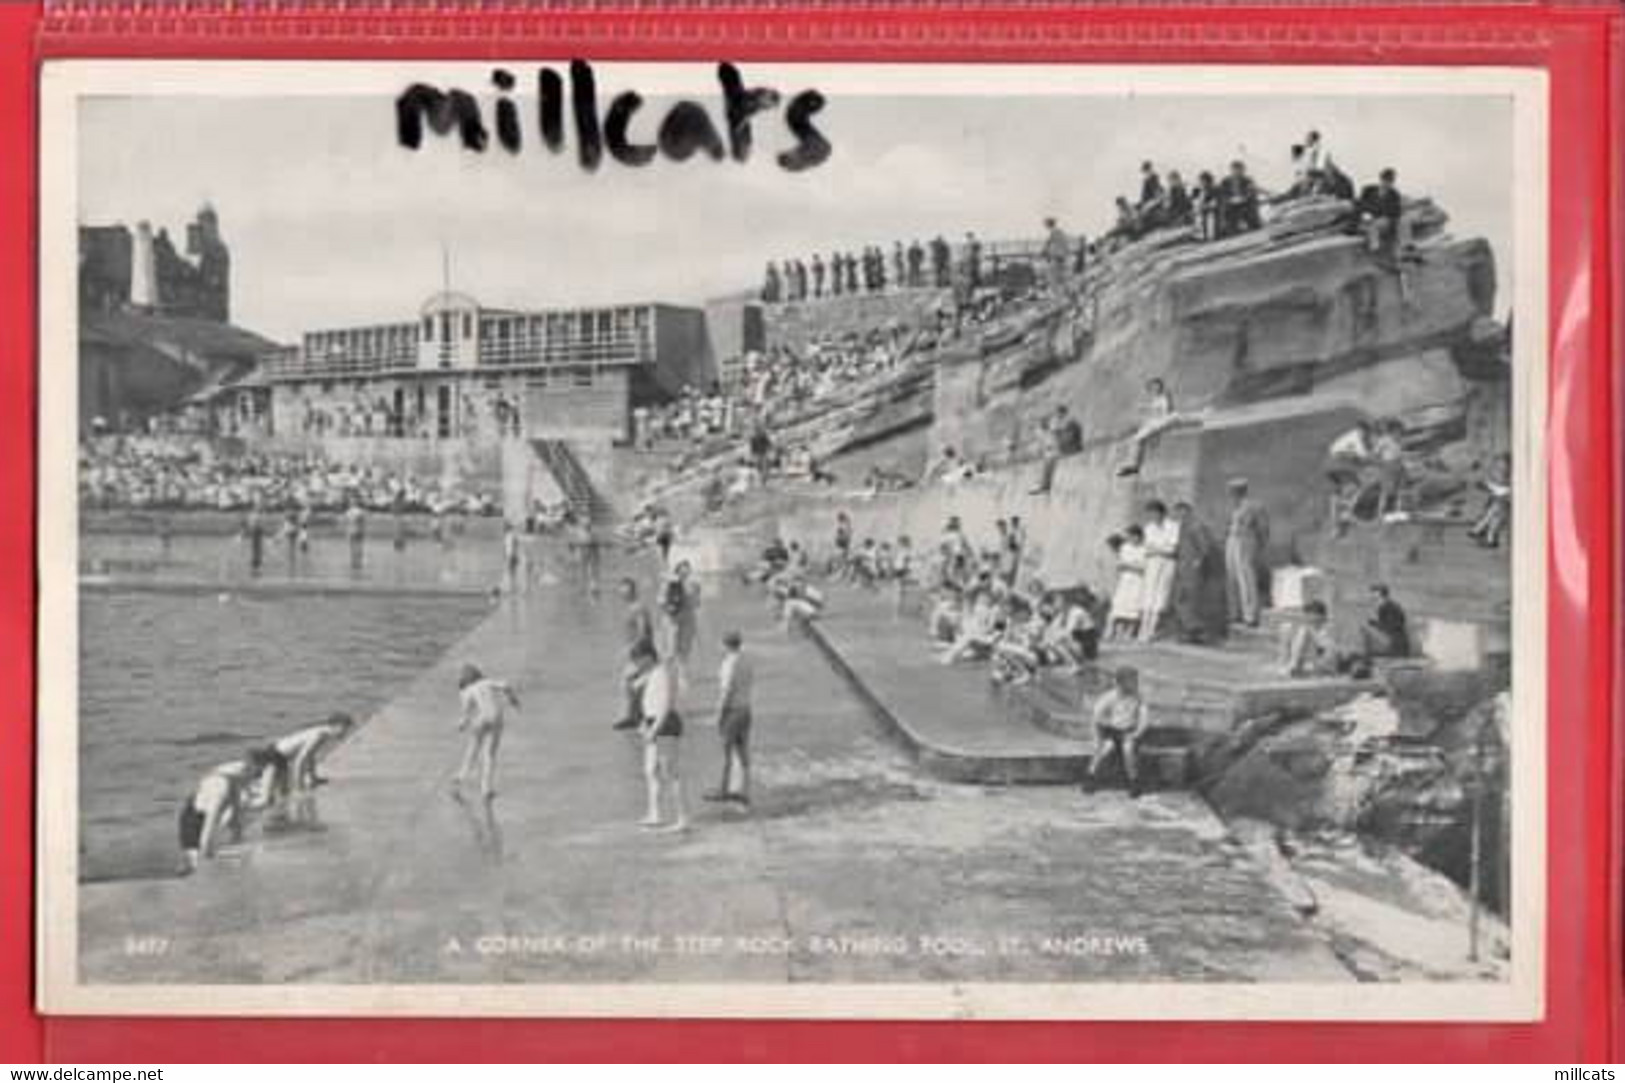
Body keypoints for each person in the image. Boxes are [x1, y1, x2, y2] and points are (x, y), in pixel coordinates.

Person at [178, 750, 274, 870]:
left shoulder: (235, 779)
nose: (258, 779)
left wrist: (238, 837)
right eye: (258, 774)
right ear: (249, 769)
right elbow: (208, 825)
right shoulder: (221, 787)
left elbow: (236, 814)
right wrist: (206, 852)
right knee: (196, 864)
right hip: (193, 820)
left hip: (201, 810)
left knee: (236, 857)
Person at [635, 646, 688, 832]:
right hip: (654, 722)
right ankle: (655, 814)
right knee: (651, 770)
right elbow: (651, 701)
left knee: (671, 772)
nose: (636, 664)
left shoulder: (663, 672)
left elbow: (666, 703)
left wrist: (654, 728)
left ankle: (683, 818)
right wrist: (644, 723)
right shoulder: (653, 673)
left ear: (647, 657)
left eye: (638, 660)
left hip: (665, 723)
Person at [453, 662, 520, 801]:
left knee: (473, 747)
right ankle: (486, 788)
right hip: (496, 718)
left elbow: (466, 713)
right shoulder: (487, 682)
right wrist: (513, 699)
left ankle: (461, 775)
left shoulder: (469, 690)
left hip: (482, 719)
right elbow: (506, 685)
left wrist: (462, 724)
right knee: (489, 754)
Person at [705, 630, 754, 806]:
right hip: (746, 709)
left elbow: (726, 691)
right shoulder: (746, 660)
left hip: (732, 711)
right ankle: (745, 789)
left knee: (724, 751)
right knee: (743, 751)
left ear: (725, 645)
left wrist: (718, 714)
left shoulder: (728, 664)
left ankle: (723, 788)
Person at [1084, 665, 1150, 797]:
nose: (1135, 685)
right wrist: (1099, 735)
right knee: (1104, 749)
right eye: (1131, 682)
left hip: (1129, 732)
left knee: (1128, 750)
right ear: (1121, 683)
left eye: (1135, 682)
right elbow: (1097, 715)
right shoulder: (1110, 697)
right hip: (1112, 731)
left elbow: (1144, 720)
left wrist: (1135, 733)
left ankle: (1134, 781)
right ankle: (1090, 776)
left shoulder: (1139, 698)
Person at [1171, 500, 1228, 644]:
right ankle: (1190, 631)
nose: (1178, 515)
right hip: (1182, 568)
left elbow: (1204, 547)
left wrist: (1198, 561)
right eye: (1176, 513)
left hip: (1191, 570)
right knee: (1181, 599)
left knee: (1190, 600)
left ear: (1187, 511)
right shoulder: (1182, 527)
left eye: (1180, 512)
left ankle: (1196, 632)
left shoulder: (1196, 526)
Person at [1224, 478, 1271, 627]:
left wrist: (1260, 545)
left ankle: (1250, 615)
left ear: (1242, 491)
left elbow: (1263, 528)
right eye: (1231, 492)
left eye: (1235, 491)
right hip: (1232, 540)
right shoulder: (1235, 508)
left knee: (1246, 577)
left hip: (1246, 540)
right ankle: (1235, 613)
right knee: (1232, 577)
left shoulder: (1254, 506)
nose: (1232, 495)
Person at [272, 711, 355, 792]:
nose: (346, 733)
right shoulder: (318, 735)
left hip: (281, 757)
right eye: (345, 729)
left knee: (282, 790)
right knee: (276, 792)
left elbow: (310, 756)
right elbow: (299, 761)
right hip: (274, 756)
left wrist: (313, 778)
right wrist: (298, 787)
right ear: (337, 726)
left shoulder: (324, 734)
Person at [613, 578, 657, 730]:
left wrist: (631, 647)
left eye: (627, 591)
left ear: (634, 591)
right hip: (637, 653)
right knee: (634, 684)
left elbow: (643, 630)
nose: (623, 594)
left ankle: (633, 716)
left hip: (643, 653)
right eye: (622, 591)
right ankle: (638, 715)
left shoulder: (638, 608)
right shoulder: (629, 607)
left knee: (627, 682)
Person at [1139, 500, 1180, 642]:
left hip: (1167, 563)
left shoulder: (1173, 526)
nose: (1153, 516)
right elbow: (1146, 549)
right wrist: (1159, 548)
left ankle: (1153, 629)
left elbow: (1173, 549)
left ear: (1161, 512)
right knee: (1149, 593)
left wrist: (1157, 549)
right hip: (1152, 563)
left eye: (1155, 513)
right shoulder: (1149, 528)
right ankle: (1143, 628)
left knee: (1161, 594)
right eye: (1150, 513)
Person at [659, 559, 701, 683]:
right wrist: (670, 606)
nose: (686, 571)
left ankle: (682, 676)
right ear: (677, 570)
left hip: (687, 620)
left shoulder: (694, 584)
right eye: (683, 568)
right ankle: (664, 674)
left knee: (684, 651)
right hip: (671, 620)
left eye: (687, 568)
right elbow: (660, 601)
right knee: (671, 651)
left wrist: (687, 601)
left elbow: (697, 603)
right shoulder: (668, 583)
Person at [1030, 403, 1083, 495]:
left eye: (1059, 413)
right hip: (1060, 448)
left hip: (1066, 448)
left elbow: (1063, 436)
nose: (1058, 416)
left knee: (1049, 459)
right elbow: (1054, 434)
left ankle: (1044, 485)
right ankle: (1045, 485)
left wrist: (1054, 433)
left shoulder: (1066, 422)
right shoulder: (1059, 421)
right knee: (1048, 460)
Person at [1105, 529, 1146, 641]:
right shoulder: (1125, 548)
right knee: (1120, 605)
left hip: (1137, 581)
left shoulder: (1143, 550)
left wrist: (1130, 565)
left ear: (1140, 537)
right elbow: (1120, 564)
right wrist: (1131, 565)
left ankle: (1129, 632)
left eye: (1135, 537)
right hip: (1125, 580)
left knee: (1133, 605)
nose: (1133, 539)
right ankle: (1116, 632)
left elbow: (1143, 567)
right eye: (1131, 537)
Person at [1283, 600, 1342, 677]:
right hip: (1309, 670)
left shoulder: (1327, 635)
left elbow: (1328, 661)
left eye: (1311, 616)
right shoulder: (1307, 632)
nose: (1308, 619)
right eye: (1307, 616)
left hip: (1321, 672)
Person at [1356, 167, 1406, 256]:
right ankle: (1371, 247)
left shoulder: (1394, 195)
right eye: (1385, 181)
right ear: (1381, 180)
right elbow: (1363, 205)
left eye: (1389, 182)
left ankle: (1375, 250)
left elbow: (1396, 212)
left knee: (1374, 226)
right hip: (1370, 217)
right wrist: (1365, 214)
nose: (1386, 184)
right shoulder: (1370, 191)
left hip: (1386, 220)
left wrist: (1386, 218)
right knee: (1361, 226)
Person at [1467, 452, 1512, 548]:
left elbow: (1501, 490)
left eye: (1501, 467)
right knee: (1494, 515)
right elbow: (1497, 488)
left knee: (1493, 513)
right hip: (1500, 501)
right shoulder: (1502, 479)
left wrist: (1486, 485)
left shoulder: (1507, 480)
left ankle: (1479, 530)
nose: (1499, 470)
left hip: (1503, 501)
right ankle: (1484, 534)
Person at [1360, 583, 1411, 660]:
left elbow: (1390, 627)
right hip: (1395, 645)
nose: (1374, 603)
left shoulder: (1389, 608)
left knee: (1366, 628)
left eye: (1376, 599)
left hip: (1397, 648)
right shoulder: (1387, 607)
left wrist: (1374, 624)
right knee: (1368, 627)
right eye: (1372, 600)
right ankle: (1367, 656)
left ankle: (1368, 656)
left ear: (1385, 598)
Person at [1217, 159, 1262, 237]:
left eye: (1240, 170)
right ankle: (1228, 230)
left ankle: (1254, 225)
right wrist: (1230, 200)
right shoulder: (1225, 181)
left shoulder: (1247, 180)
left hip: (1245, 202)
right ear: (1232, 170)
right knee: (1224, 208)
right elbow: (1222, 194)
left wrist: (1244, 197)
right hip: (1231, 204)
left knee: (1252, 205)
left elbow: (1251, 191)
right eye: (1235, 170)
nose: (1237, 172)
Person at [1042, 217, 1071, 294]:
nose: (1045, 226)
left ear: (1049, 224)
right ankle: (1067, 295)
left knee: (1053, 280)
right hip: (1061, 258)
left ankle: (1059, 297)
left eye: (1046, 224)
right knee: (1063, 279)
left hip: (1057, 258)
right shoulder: (1059, 232)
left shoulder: (1054, 232)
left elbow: (1048, 244)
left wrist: (1045, 252)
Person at [343, 499, 366, 571]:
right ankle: (359, 562)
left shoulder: (348, 512)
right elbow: (363, 522)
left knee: (352, 547)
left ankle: (354, 562)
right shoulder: (361, 512)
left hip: (351, 531)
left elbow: (346, 522)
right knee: (359, 546)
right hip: (358, 530)